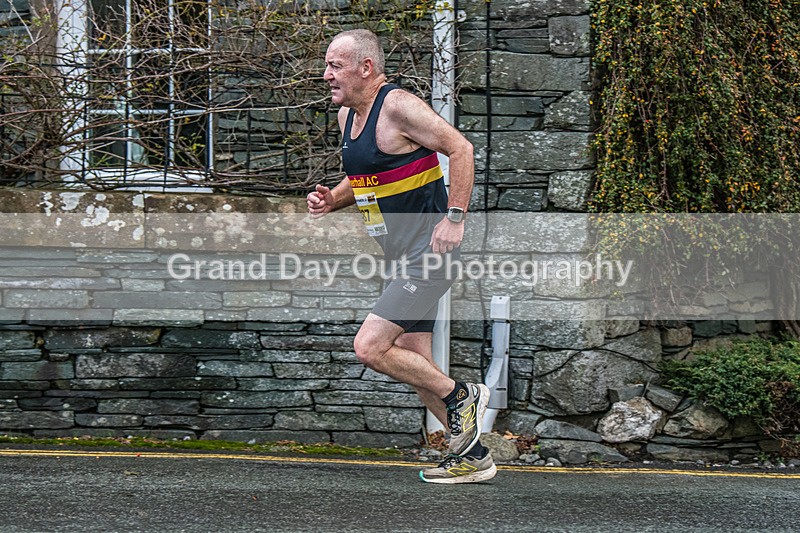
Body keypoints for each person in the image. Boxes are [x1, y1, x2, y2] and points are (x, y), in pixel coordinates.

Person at [307, 29, 495, 484]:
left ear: (365, 68)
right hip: (400, 257)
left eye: (335, 66)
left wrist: (455, 217)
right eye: (327, 65)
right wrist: (332, 200)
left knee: (369, 347)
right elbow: (367, 177)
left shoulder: (398, 106)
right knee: (415, 363)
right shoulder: (349, 117)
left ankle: (463, 394)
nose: (326, 75)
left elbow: (461, 148)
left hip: (429, 254)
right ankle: (472, 457)